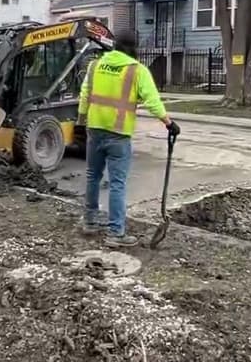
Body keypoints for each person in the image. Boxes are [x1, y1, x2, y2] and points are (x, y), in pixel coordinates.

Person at [77, 29, 180, 246]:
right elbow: (152, 101)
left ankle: (90, 222)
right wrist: (168, 123)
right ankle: (116, 233)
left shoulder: (95, 66)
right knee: (117, 183)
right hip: (119, 133)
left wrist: (81, 119)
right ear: (134, 47)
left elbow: (85, 94)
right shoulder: (137, 71)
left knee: (92, 177)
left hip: (95, 129)